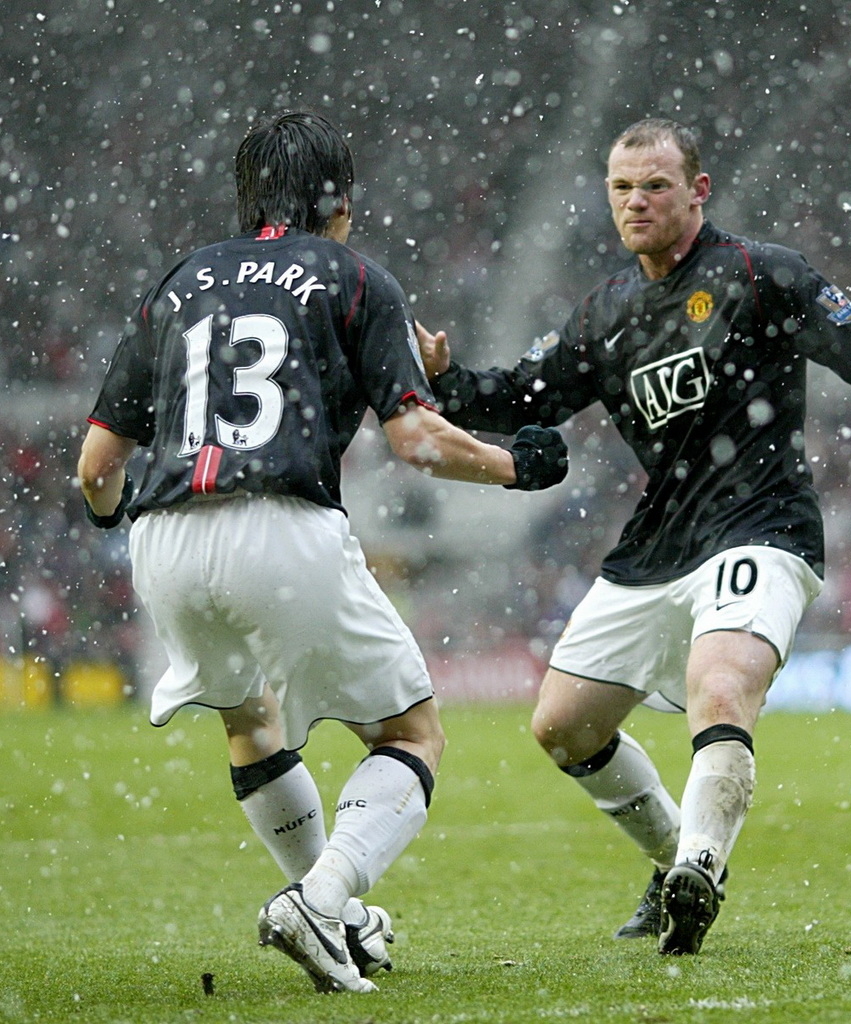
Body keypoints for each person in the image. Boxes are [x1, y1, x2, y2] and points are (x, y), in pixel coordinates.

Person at [418, 117, 851, 955]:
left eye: (655, 184)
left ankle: (702, 863)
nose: (636, 202)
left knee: (719, 689)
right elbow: (520, 396)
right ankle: (672, 863)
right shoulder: (608, 312)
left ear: (699, 191)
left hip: (763, 524)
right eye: (621, 187)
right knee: (561, 727)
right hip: (658, 542)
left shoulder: (764, 276)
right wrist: (449, 382)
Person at [77, 110, 568, 993]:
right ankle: (323, 896)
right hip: (281, 522)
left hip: (163, 537)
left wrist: (121, 521)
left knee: (249, 723)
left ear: (247, 195)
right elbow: (416, 441)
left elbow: (95, 471)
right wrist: (515, 463)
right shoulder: (352, 275)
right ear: (340, 202)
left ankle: (331, 918)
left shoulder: (183, 281)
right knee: (412, 733)